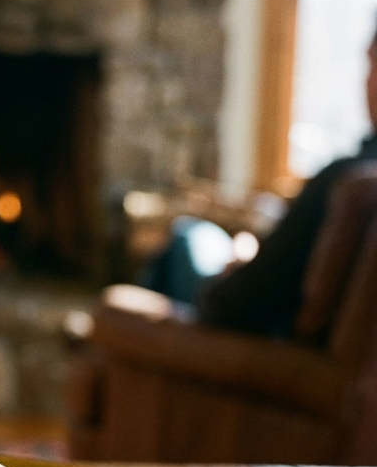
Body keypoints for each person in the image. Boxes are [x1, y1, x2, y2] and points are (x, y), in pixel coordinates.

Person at [142, 25, 377, 339]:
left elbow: (234, 304)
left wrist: (236, 267)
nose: (364, 81)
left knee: (186, 237)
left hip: (263, 339)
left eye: (370, 65)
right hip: (288, 331)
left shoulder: (346, 181)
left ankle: (134, 346)